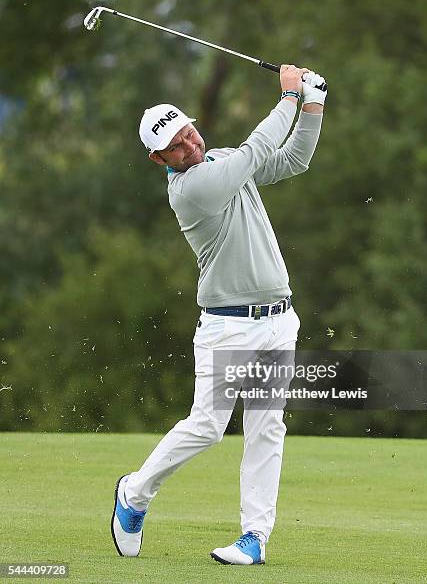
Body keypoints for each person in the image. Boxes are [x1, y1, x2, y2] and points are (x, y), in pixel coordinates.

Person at [111, 64, 327, 565]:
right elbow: (256, 151)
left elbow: (291, 159)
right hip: (228, 324)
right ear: (158, 158)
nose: (189, 144)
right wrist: (290, 97)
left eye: (188, 132)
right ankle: (134, 494)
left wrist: (314, 106)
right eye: (176, 145)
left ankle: (254, 537)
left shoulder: (226, 159)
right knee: (208, 425)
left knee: (267, 427)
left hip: (278, 318)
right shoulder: (191, 191)